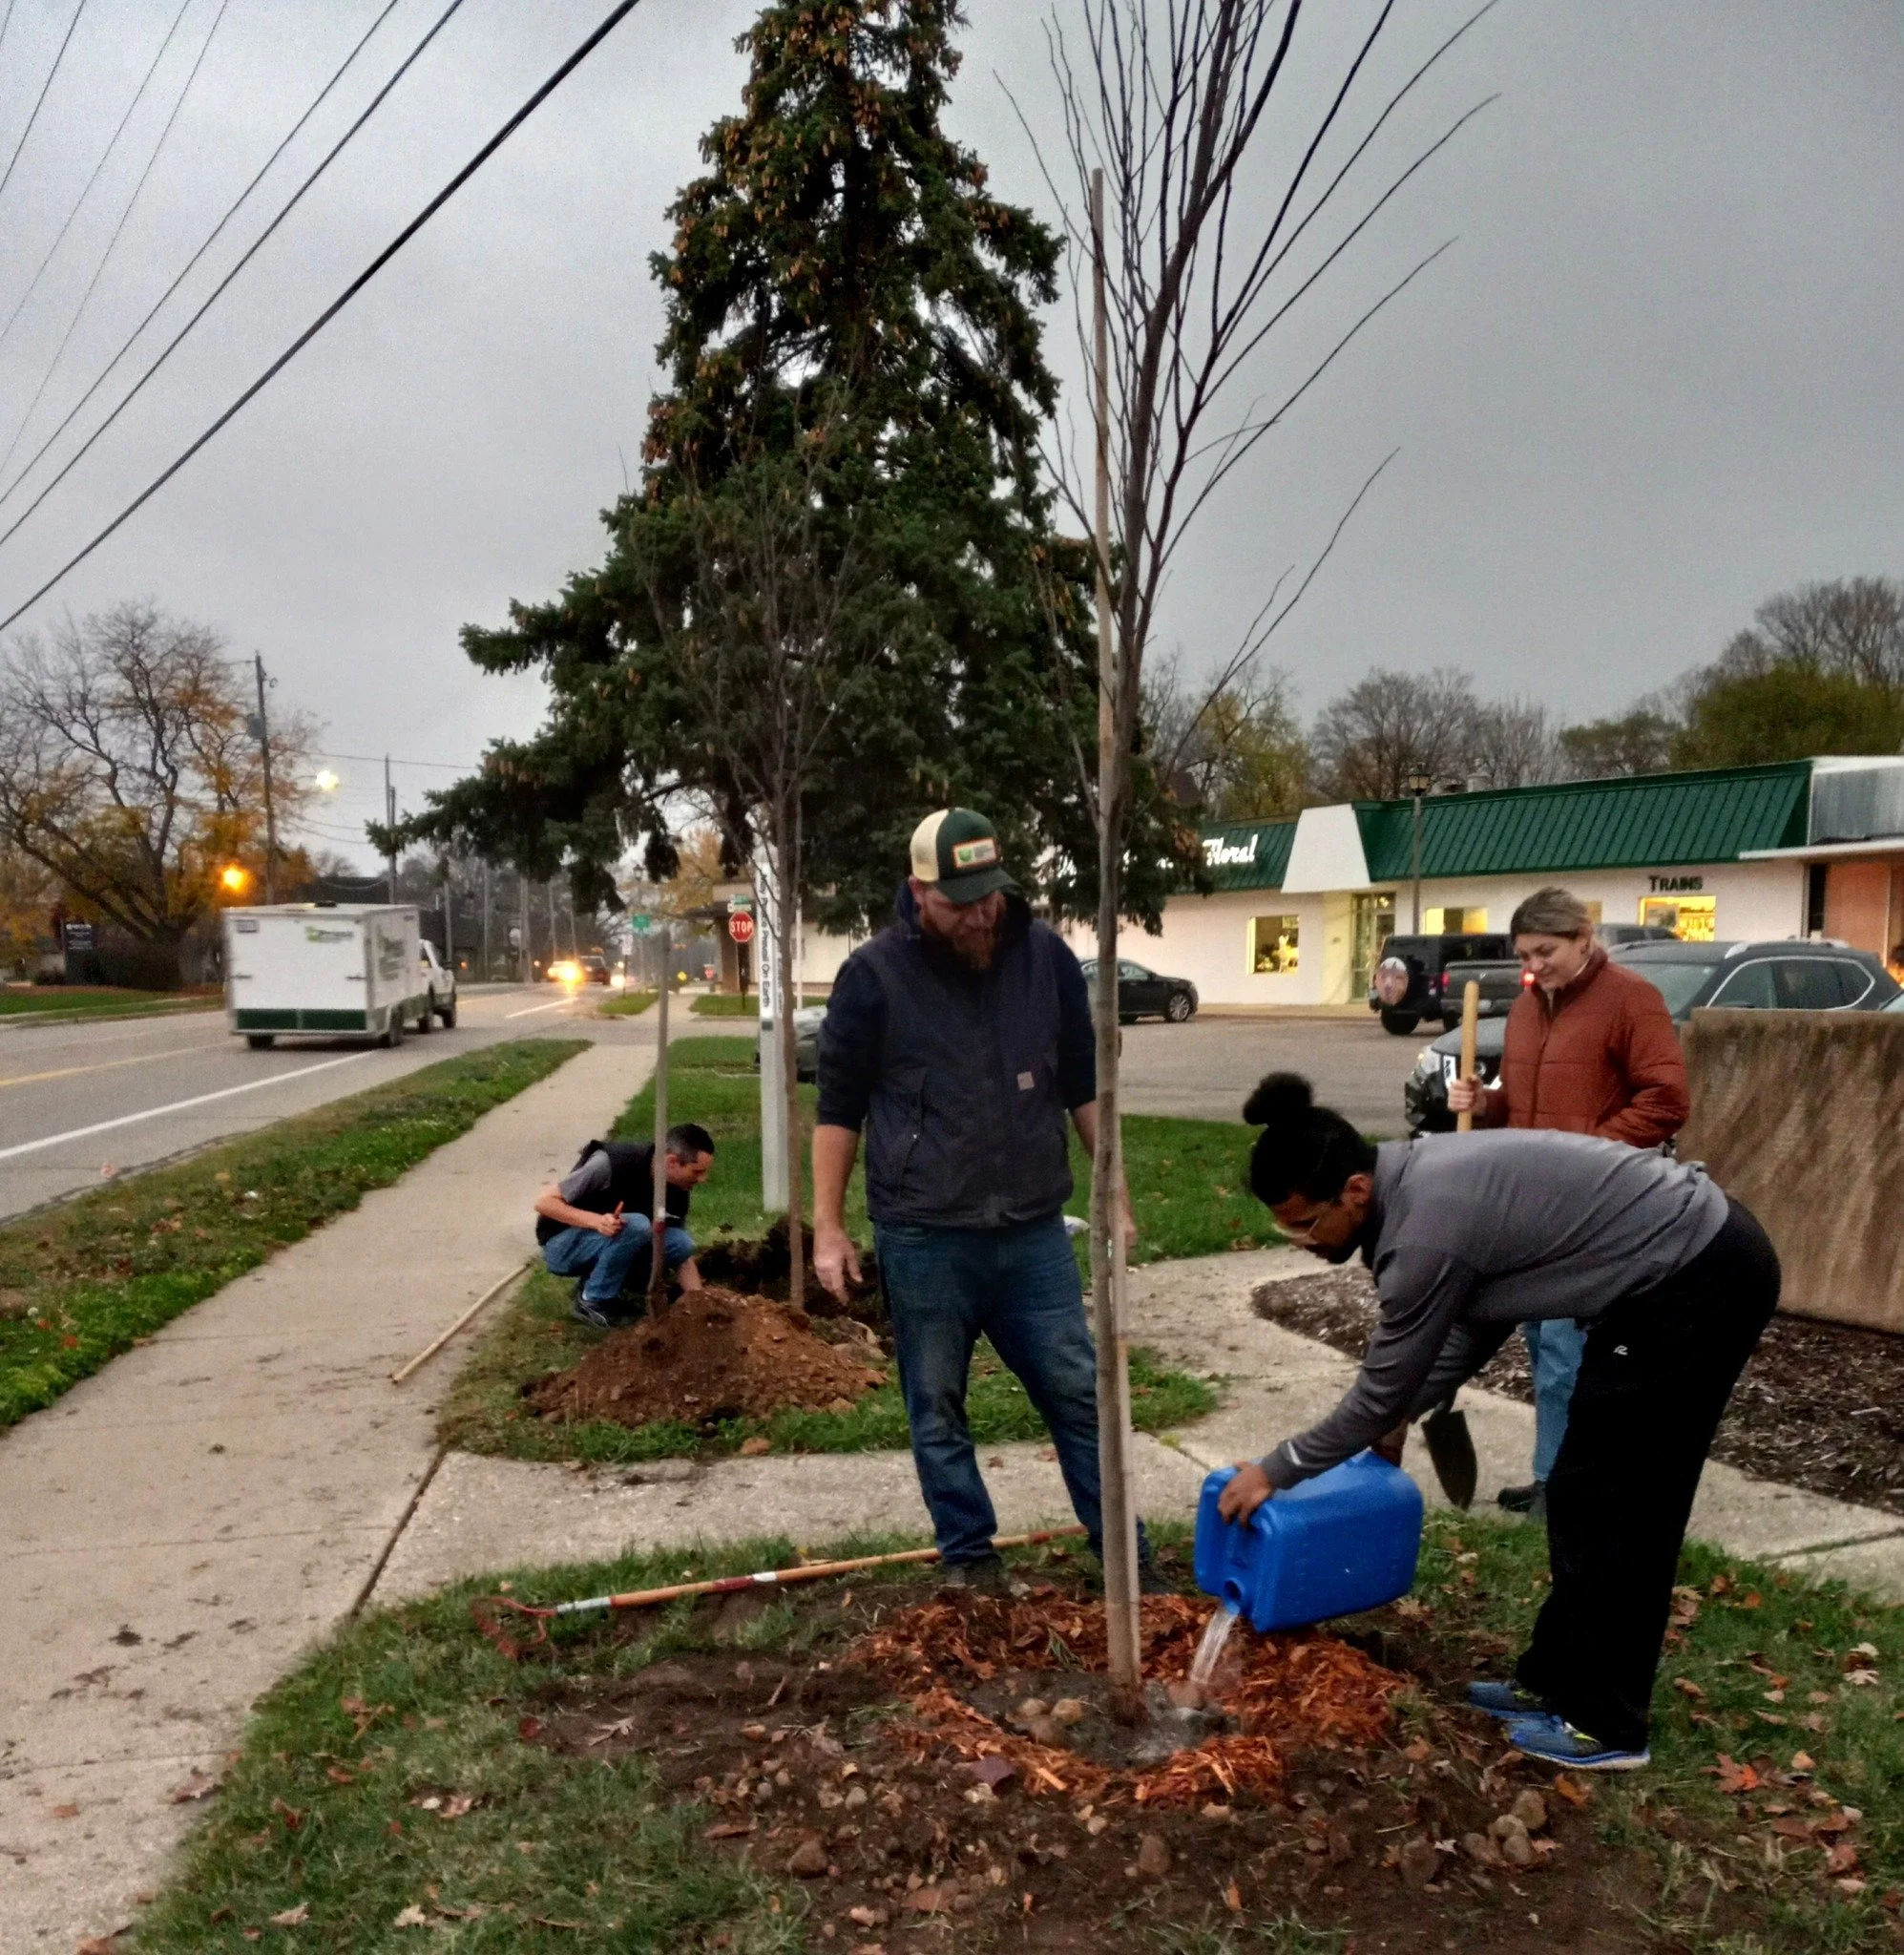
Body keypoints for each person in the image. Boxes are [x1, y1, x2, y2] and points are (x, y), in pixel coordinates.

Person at [1218, 1072, 1778, 1770]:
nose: (1297, 1238)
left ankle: (1608, 1726)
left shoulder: (1423, 1232)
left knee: (1620, 1505)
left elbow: (1377, 1392)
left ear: (1354, 1191)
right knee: (1579, 1492)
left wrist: (1275, 1471)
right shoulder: (1413, 1184)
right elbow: (1474, 1323)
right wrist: (1406, 1409)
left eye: (1303, 1222)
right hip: (1667, 1273)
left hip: (1696, 1276)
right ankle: (1551, 1681)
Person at [811, 808, 1146, 1592]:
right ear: (917, 891)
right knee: (936, 1406)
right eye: (959, 900)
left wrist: (1115, 1199)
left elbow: (1083, 1089)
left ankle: (1126, 1563)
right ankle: (970, 1561)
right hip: (924, 1235)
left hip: (1032, 1232)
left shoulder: (1045, 960)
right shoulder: (875, 976)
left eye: (989, 894)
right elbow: (837, 1111)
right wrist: (828, 1228)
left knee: (1079, 1394)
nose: (980, 912)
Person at [1448, 886, 1689, 1521]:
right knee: (1543, 1347)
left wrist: (1589, 1154)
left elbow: (1666, 1100)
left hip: (1596, 1208)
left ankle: (1567, 1492)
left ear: (1583, 939)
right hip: (1533, 1204)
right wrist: (1486, 1104)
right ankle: (1553, 1475)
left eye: (1545, 951)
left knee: (1565, 1354)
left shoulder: (1632, 1001)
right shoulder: (1529, 1008)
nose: (1534, 965)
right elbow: (1523, 1104)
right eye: (1525, 953)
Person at [534, 1124, 715, 1327]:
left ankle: (602, 1285)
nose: (703, 1179)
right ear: (672, 1162)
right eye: (697, 1172)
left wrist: (701, 1303)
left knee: (679, 1242)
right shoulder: (610, 1164)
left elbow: (682, 1257)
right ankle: (592, 1302)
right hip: (562, 1245)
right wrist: (597, 1222)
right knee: (637, 1225)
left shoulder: (678, 1190)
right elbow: (544, 1202)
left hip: (606, 1242)